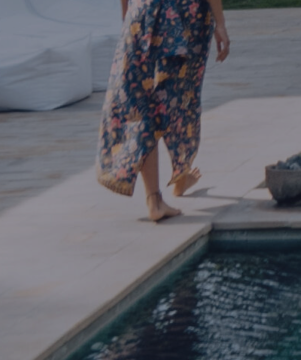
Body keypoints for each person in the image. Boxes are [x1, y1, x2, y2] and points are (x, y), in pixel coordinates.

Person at [97, 0, 230, 222]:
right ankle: (179, 173)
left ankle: (156, 196)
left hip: (141, 13)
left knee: (142, 103)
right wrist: (221, 24)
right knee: (179, 99)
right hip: (182, 19)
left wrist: (127, 15)